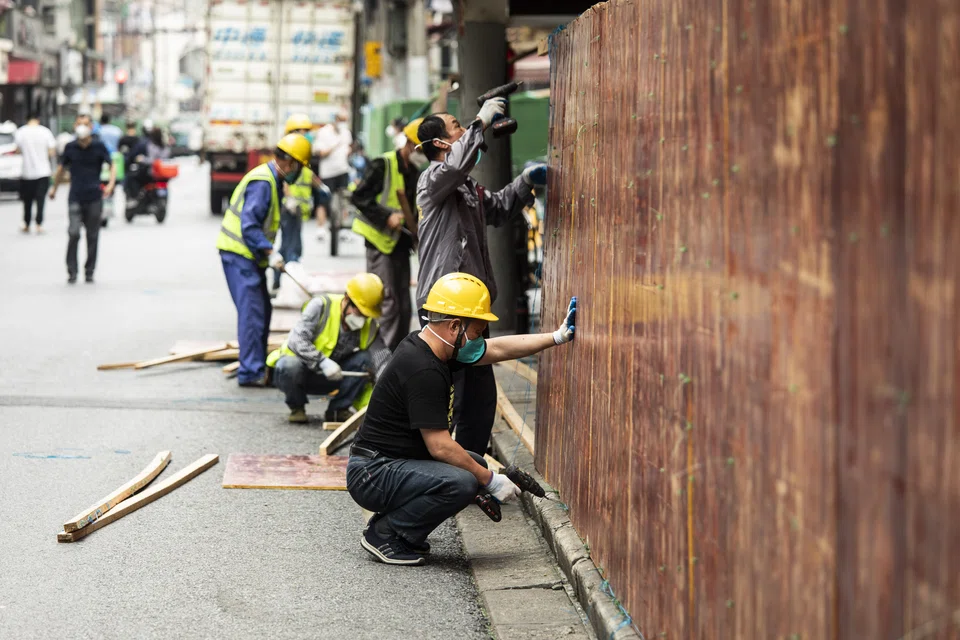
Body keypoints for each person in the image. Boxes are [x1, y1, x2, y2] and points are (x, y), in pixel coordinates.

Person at [347, 273, 577, 565]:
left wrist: (556, 337)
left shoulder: (435, 346)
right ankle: (386, 533)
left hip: (386, 464)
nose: (480, 340)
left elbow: (498, 349)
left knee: (474, 465)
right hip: (372, 473)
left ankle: (397, 524)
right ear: (455, 326)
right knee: (463, 482)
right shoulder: (423, 369)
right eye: (478, 331)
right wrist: (491, 481)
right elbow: (440, 447)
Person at [414, 102, 548, 455]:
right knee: (456, 394)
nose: (466, 131)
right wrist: (482, 119)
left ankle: (468, 466)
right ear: (442, 144)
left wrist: (525, 182)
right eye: (457, 126)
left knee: (478, 397)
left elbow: (500, 208)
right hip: (445, 310)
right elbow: (457, 163)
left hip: (468, 308)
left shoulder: (466, 187)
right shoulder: (432, 180)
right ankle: (449, 465)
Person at [215, 133, 311, 387]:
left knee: (262, 310)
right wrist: (270, 252)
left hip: (248, 256)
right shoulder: (263, 182)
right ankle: (250, 371)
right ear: (289, 163)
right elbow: (249, 226)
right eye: (300, 166)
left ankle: (256, 365)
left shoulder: (273, 180)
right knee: (252, 313)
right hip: (238, 254)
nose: (300, 172)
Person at [267, 273, 391, 423]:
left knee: (364, 359)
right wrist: (322, 361)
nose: (362, 319)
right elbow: (297, 339)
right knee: (289, 365)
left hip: (335, 376)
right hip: (301, 373)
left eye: (366, 315)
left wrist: (391, 386)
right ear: (346, 299)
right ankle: (297, 406)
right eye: (359, 312)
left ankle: (338, 410)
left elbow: (382, 358)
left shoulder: (369, 326)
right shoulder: (321, 306)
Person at [350, 118, 426, 351]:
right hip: (379, 243)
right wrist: (386, 216)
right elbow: (359, 197)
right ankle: (382, 356)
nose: (422, 155)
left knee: (403, 305)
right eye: (421, 149)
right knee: (387, 302)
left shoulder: (414, 171)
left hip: (401, 244)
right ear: (410, 145)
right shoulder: (382, 164)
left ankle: (398, 354)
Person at [50, 114, 115, 284]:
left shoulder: (99, 146)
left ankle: (89, 271)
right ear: (74, 126)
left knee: (92, 236)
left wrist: (110, 184)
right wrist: (54, 188)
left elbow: (112, 164)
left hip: (94, 197)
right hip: (75, 197)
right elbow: (61, 169)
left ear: (91, 127)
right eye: (79, 124)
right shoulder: (70, 147)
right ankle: (72, 271)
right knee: (73, 233)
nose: (82, 127)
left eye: (85, 124)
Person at [272, 114, 330, 291]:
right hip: (288, 208)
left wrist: (320, 186)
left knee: (291, 244)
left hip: (299, 208)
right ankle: (284, 280)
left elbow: (307, 175)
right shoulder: (288, 157)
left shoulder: (300, 155)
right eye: (301, 132)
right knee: (292, 246)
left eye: (307, 132)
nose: (306, 135)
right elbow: (285, 179)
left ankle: (280, 280)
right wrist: (289, 199)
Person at [313, 109, 353, 242]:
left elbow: (348, 149)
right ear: (335, 119)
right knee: (323, 200)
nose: (343, 123)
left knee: (344, 200)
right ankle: (321, 229)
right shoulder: (324, 132)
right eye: (341, 120)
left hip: (343, 170)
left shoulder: (346, 133)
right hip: (328, 173)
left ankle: (343, 228)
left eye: (345, 121)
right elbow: (320, 152)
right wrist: (335, 146)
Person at [14, 112, 56, 233]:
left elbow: (17, 150)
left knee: (27, 200)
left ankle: (27, 223)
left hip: (27, 172)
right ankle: (39, 224)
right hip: (43, 171)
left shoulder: (21, 132)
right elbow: (52, 152)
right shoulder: (45, 132)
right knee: (40, 199)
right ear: (38, 119)